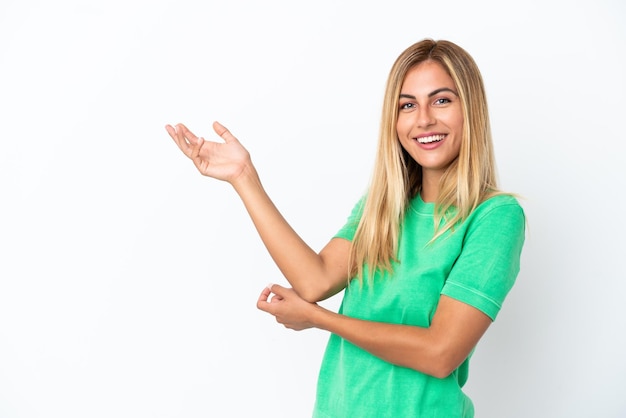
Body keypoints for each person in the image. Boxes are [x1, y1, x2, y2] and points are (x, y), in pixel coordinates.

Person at [165, 38, 525, 418]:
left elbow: (440, 353)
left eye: (441, 100)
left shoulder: (495, 217)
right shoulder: (383, 207)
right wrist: (244, 177)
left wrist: (319, 319)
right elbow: (315, 281)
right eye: (407, 105)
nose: (423, 120)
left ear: (470, 109)